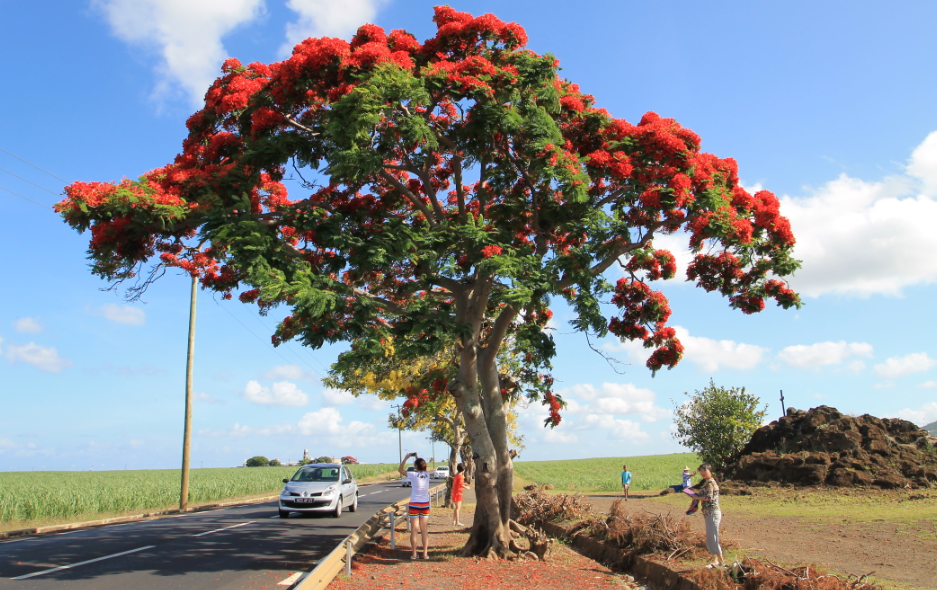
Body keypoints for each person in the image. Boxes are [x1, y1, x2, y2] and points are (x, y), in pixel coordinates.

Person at [687, 463, 725, 568]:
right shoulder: (707, 483)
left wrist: (696, 498)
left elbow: (709, 498)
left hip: (712, 512)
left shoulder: (710, 483)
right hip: (708, 513)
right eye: (701, 471)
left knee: (713, 537)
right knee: (710, 537)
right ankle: (716, 560)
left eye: (705, 470)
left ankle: (722, 561)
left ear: (710, 471)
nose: (703, 473)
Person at [398, 452, 432, 559]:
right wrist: (418, 458)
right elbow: (421, 467)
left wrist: (406, 458)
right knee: (424, 529)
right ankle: (425, 554)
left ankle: (414, 553)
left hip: (414, 504)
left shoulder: (413, 474)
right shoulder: (427, 474)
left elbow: (400, 470)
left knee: (414, 529)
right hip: (425, 504)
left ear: (416, 466)